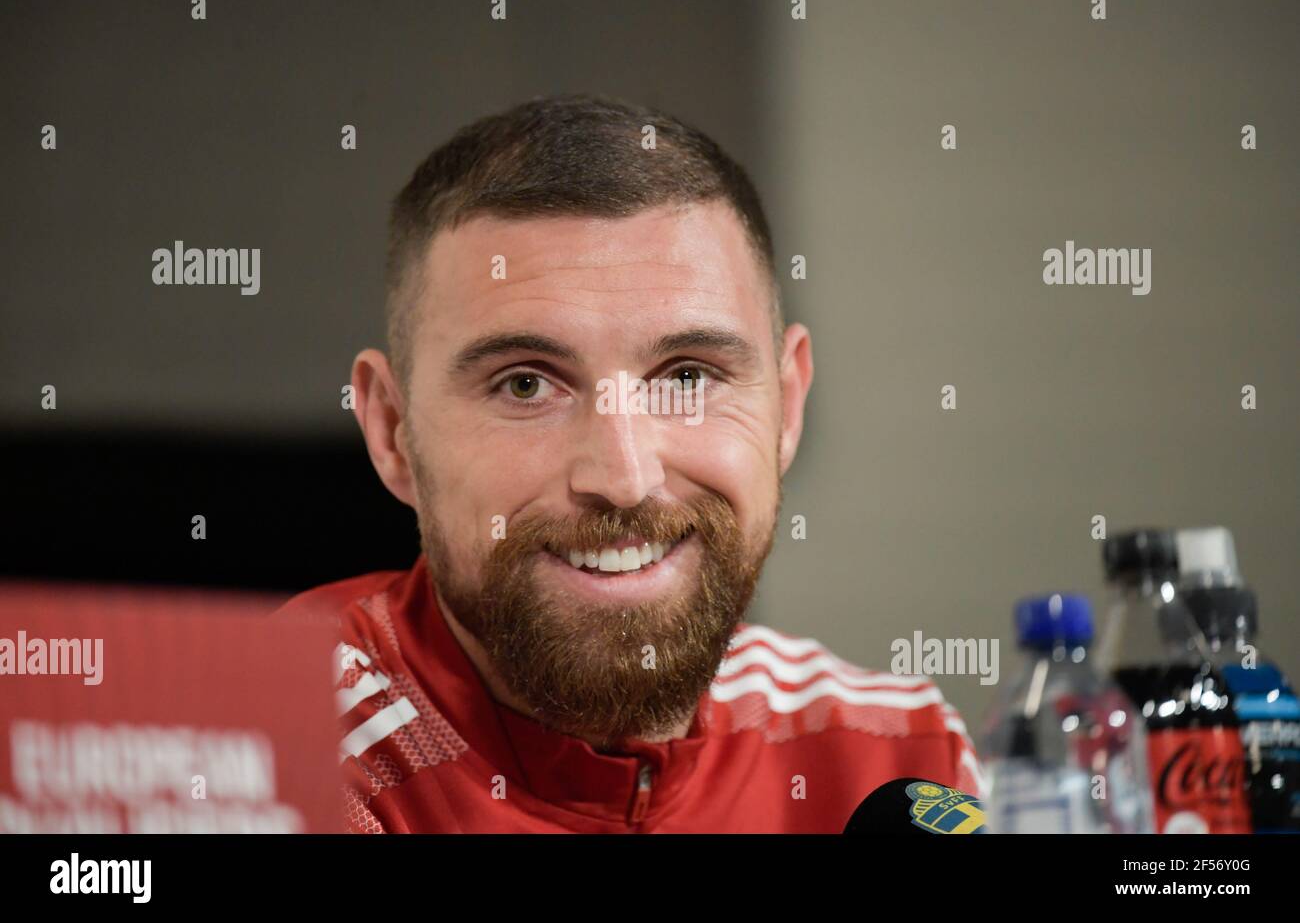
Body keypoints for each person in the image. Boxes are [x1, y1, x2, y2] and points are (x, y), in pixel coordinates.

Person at [278, 94, 982, 832]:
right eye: (526, 384)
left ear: (789, 405)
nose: (624, 477)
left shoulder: (898, 758)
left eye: (687, 377)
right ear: (391, 431)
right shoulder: (274, 757)